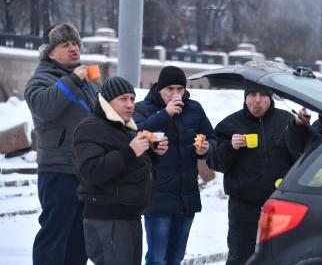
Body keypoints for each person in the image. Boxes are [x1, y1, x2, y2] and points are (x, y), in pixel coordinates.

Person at [73, 76, 167, 265]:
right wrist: (131, 151)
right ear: (107, 101)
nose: (130, 104)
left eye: (132, 99)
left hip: (129, 218)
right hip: (108, 219)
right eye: (123, 99)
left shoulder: (124, 128)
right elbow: (91, 172)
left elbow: (133, 168)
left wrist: (154, 154)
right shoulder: (90, 127)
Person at [24, 23, 98, 265]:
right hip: (58, 169)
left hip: (86, 169)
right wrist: (72, 81)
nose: (73, 48)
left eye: (75, 43)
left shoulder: (86, 79)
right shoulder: (40, 79)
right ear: (50, 52)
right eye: (65, 44)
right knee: (54, 235)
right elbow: (44, 107)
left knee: (80, 237)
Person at [133, 65, 218, 265]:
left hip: (186, 196)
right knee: (157, 258)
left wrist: (206, 148)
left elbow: (212, 137)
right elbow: (136, 133)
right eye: (170, 89)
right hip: (157, 197)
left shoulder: (194, 108)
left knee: (176, 258)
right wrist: (165, 114)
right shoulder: (142, 109)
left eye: (180, 89)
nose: (175, 94)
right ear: (159, 89)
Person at [210, 81, 296, 265]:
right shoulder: (229, 124)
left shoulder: (286, 121)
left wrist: (301, 129)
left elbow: (300, 156)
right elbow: (215, 163)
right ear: (245, 97)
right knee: (240, 256)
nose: (258, 100)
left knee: (280, 256)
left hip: (279, 203)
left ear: (271, 98)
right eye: (252, 95)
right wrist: (230, 147)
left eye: (263, 95)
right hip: (243, 205)